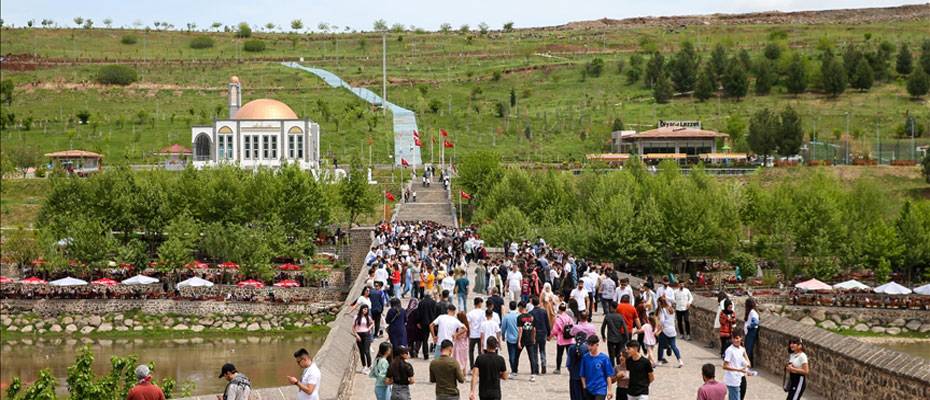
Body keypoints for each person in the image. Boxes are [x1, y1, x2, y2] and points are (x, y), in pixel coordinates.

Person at [579, 335, 615, 400]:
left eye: (592, 345)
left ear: (597, 345)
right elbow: (582, 374)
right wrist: (584, 387)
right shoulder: (585, 358)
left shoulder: (604, 358)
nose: (590, 347)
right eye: (588, 345)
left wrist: (609, 390)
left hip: (600, 389)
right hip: (589, 389)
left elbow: (608, 375)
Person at [656, 297, 683, 368]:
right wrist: (667, 298)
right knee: (674, 346)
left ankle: (659, 360)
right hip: (672, 329)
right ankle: (680, 360)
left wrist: (658, 329)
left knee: (661, 346)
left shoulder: (662, 310)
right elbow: (674, 301)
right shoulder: (672, 309)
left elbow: (661, 321)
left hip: (665, 329)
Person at [516, 301, 539, 381]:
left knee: (517, 355)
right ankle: (533, 374)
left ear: (520, 308)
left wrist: (519, 341)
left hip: (523, 339)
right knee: (531, 357)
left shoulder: (519, 317)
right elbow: (534, 329)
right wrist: (534, 338)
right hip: (530, 338)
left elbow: (520, 330)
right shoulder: (531, 317)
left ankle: (514, 371)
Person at [722, 332, 749, 400]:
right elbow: (724, 366)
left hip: (741, 377)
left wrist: (744, 351)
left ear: (741, 338)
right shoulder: (730, 350)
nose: (735, 340)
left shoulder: (741, 349)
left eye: (737, 338)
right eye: (733, 338)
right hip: (733, 379)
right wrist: (738, 370)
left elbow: (748, 364)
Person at [601, 301, 628, 365]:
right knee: (619, 354)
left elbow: (603, 327)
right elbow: (625, 328)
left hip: (610, 338)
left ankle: (612, 368)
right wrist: (626, 338)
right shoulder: (620, 316)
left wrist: (603, 336)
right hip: (619, 338)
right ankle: (618, 367)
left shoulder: (607, 316)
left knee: (611, 355)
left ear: (611, 307)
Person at [552, 303, 576, 374]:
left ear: (559, 309)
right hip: (570, 339)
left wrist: (551, 336)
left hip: (561, 339)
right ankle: (571, 368)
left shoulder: (558, 318)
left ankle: (558, 369)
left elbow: (555, 330)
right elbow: (573, 326)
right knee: (570, 355)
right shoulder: (569, 318)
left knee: (559, 354)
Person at [530, 296, 551, 374]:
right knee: (542, 350)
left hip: (535, 333)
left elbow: (531, 325)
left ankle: (536, 368)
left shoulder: (531, 313)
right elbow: (547, 323)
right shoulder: (544, 311)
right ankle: (544, 364)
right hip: (543, 332)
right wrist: (549, 333)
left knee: (535, 351)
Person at [565, 332, 588, 400]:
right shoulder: (586, 348)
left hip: (574, 376)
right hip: (585, 377)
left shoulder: (571, 348)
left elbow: (568, 364)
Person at [467, 297, 487, 369]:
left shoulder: (470, 313)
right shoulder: (483, 313)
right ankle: (480, 366)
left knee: (471, 351)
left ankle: (472, 366)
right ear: (479, 303)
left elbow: (468, 324)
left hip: (472, 334)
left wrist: (468, 334)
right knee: (480, 352)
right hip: (480, 334)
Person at [501, 301, 520, 375]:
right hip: (518, 337)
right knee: (517, 355)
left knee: (511, 355)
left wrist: (503, 335)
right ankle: (515, 368)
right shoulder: (518, 316)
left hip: (510, 338)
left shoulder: (506, 316)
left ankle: (513, 369)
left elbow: (503, 327)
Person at [353, 305, 374, 374]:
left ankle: (369, 366)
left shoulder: (368, 317)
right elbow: (353, 327)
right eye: (364, 309)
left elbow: (372, 323)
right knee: (361, 352)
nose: (365, 311)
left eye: (367, 310)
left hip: (366, 335)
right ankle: (364, 366)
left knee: (366, 351)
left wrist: (369, 328)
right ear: (361, 309)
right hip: (359, 335)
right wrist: (356, 335)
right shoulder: (356, 317)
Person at [744, 297, 760, 365]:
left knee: (749, 347)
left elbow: (755, 322)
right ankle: (750, 362)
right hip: (750, 331)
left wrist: (749, 326)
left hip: (751, 331)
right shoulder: (752, 312)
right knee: (748, 347)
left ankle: (749, 363)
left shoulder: (752, 312)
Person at [455, 311, 471, 376]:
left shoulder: (460, 327)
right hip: (465, 344)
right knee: (464, 359)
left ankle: (460, 375)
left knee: (458, 359)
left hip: (459, 345)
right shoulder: (467, 325)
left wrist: (455, 334)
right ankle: (464, 373)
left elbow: (458, 337)